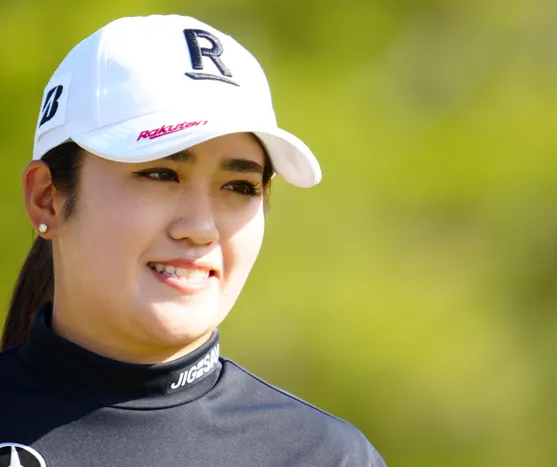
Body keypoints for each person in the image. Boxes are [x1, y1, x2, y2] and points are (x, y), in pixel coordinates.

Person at [0, 14, 385, 467]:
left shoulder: (325, 456)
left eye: (240, 186)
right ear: (47, 198)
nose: (201, 228)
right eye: (161, 174)